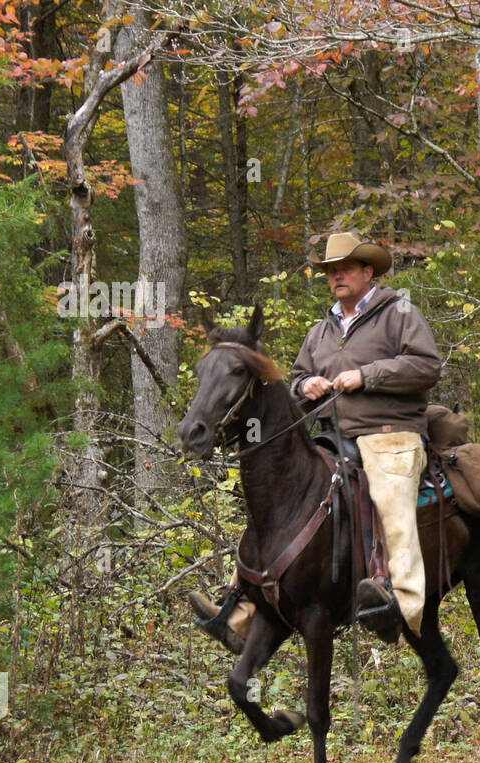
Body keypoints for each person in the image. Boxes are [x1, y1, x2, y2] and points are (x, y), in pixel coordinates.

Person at [188, 231, 442, 643]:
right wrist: (305, 386)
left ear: (367, 271)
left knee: (393, 500)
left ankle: (401, 603)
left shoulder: (399, 313)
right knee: (277, 503)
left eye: (345, 269)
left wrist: (366, 375)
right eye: (331, 271)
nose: (336, 276)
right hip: (333, 436)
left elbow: (426, 365)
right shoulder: (319, 331)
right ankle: (240, 607)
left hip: (390, 434)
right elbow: (297, 379)